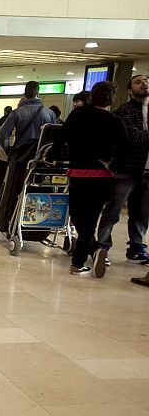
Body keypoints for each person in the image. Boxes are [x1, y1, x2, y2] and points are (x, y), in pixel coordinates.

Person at [63, 81, 127, 277]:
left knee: (76, 216)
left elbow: (62, 136)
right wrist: (113, 165)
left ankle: (90, 253)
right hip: (101, 175)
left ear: (92, 96)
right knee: (90, 219)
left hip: (77, 172)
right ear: (112, 99)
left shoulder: (77, 114)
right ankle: (84, 258)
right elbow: (125, 149)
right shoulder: (114, 120)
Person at [96, 74, 149, 266]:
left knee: (142, 213)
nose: (144, 84)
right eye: (138, 82)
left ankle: (136, 246)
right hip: (125, 170)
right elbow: (133, 136)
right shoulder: (123, 112)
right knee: (113, 211)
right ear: (129, 91)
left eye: (146, 81)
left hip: (146, 171)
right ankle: (102, 247)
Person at [0, 81, 57, 231]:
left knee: (15, 190)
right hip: (42, 160)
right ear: (38, 93)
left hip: (20, 158)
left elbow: (3, 135)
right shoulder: (49, 113)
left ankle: (11, 223)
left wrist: (9, 150)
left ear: (24, 93)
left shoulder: (17, 112)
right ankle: (37, 226)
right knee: (38, 190)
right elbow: (55, 138)